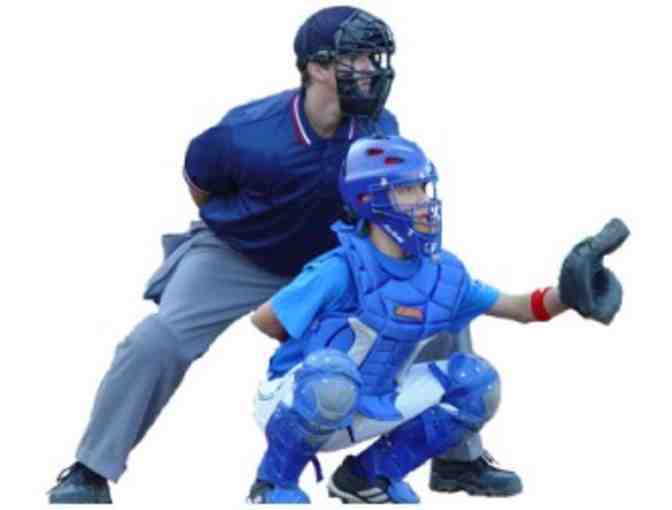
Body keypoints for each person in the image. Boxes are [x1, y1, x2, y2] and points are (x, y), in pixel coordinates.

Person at [48, 6, 518, 504]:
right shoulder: (248, 131)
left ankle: (457, 458)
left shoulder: (379, 128)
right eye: (358, 57)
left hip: (334, 257)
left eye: (375, 57)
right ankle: (89, 470)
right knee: (158, 339)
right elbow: (200, 182)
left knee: (439, 302)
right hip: (239, 253)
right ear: (317, 67)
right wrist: (254, 231)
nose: (372, 69)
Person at [246, 135, 628, 504]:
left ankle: (367, 476)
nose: (423, 201)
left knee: (477, 384)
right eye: (407, 190)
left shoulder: (442, 274)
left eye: (423, 188)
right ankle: (273, 483)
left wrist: (571, 294)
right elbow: (266, 320)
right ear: (367, 199)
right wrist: (318, 358)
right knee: (332, 380)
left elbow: (521, 309)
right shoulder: (339, 268)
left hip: (375, 399)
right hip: (296, 400)